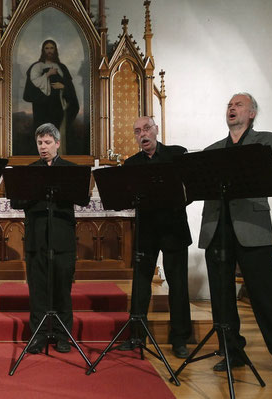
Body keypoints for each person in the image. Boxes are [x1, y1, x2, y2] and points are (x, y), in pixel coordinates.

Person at [199, 93, 272, 386]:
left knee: (265, 296)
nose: (232, 108)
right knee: (221, 299)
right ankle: (232, 351)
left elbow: (269, 174)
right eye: (229, 105)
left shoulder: (267, 140)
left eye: (239, 104)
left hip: (251, 226)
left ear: (252, 113)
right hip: (217, 227)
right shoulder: (212, 150)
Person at [117, 116, 192, 358]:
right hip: (146, 232)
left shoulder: (177, 155)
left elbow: (190, 191)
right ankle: (137, 335)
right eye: (138, 131)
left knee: (178, 285)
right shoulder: (131, 164)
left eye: (147, 128)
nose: (143, 134)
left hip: (173, 229)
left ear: (156, 129)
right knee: (140, 285)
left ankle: (180, 338)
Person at [11, 123, 88, 354]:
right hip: (36, 239)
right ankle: (39, 335)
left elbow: (83, 199)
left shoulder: (70, 170)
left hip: (62, 239)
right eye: (39, 143)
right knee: (38, 290)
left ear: (57, 143)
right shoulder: (29, 171)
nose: (43, 147)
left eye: (47, 143)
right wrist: (34, 192)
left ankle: (63, 335)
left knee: (62, 289)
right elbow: (16, 202)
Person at [23, 39, 79, 154]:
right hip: (41, 109)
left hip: (57, 108)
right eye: (47, 48)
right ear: (43, 50)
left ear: (55, 50)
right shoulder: (36, 67)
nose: (49, 51)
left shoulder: (62, 68)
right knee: (42, 135)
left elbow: (70, 88)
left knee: (56, 135)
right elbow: (29, 92)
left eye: (52, 48)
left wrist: (63, 86)